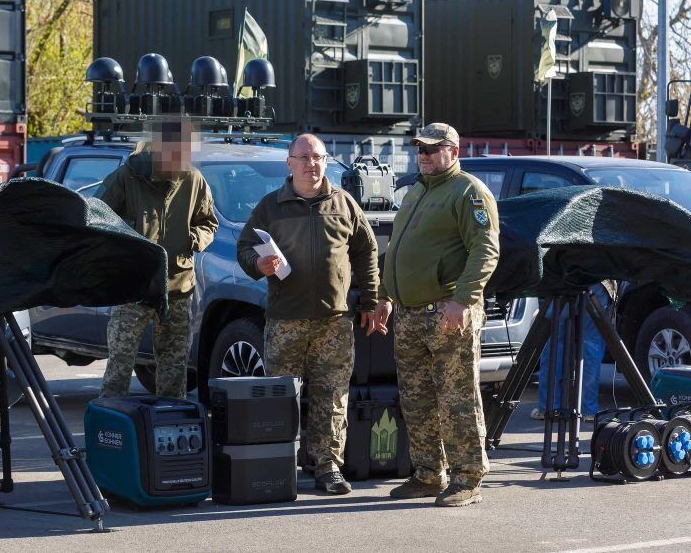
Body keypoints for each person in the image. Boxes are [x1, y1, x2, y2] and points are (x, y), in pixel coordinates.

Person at [237, 133, 380, 495]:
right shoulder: (271, 206)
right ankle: (279, 464)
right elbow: (244, 248)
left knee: (331, 396)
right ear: (289, 163)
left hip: (335, 320)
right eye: (302, 158)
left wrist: (372, 300)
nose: (310, 164)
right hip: (286, 319)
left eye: (316, 157)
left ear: (326, 161)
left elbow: (366, 251)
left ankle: (328, 467)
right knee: (280, 396)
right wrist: (259, 264)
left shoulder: (344, 204)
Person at [373, 122, 500, 507]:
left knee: (456, 398)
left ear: (453, 151)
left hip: (447, 312)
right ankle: (429, 473)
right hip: (410, 315)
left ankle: (468, 478)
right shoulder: (416, 191)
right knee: (417, 398)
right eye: (419, 149)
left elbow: (485, 250)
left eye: (431, 149)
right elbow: (397, 249)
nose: (423, 155)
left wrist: (462, 300)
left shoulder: (468, 192)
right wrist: (384, 296)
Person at [99, 120, 218, 400]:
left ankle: (169, 422)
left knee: (175, 367)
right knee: (119, 364)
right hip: (134, 288)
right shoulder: (127, 177)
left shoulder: (194, 180)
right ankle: (110, 425)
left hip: (177, 287)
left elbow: (208, 222)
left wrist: (194, 240)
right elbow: (98, 217)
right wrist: (126, 239)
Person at [531, 281, 618, 421]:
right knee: (591, 345)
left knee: (555, 342)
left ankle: (550, 408)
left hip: (564, 277)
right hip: (599, 280)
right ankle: (589, 411)